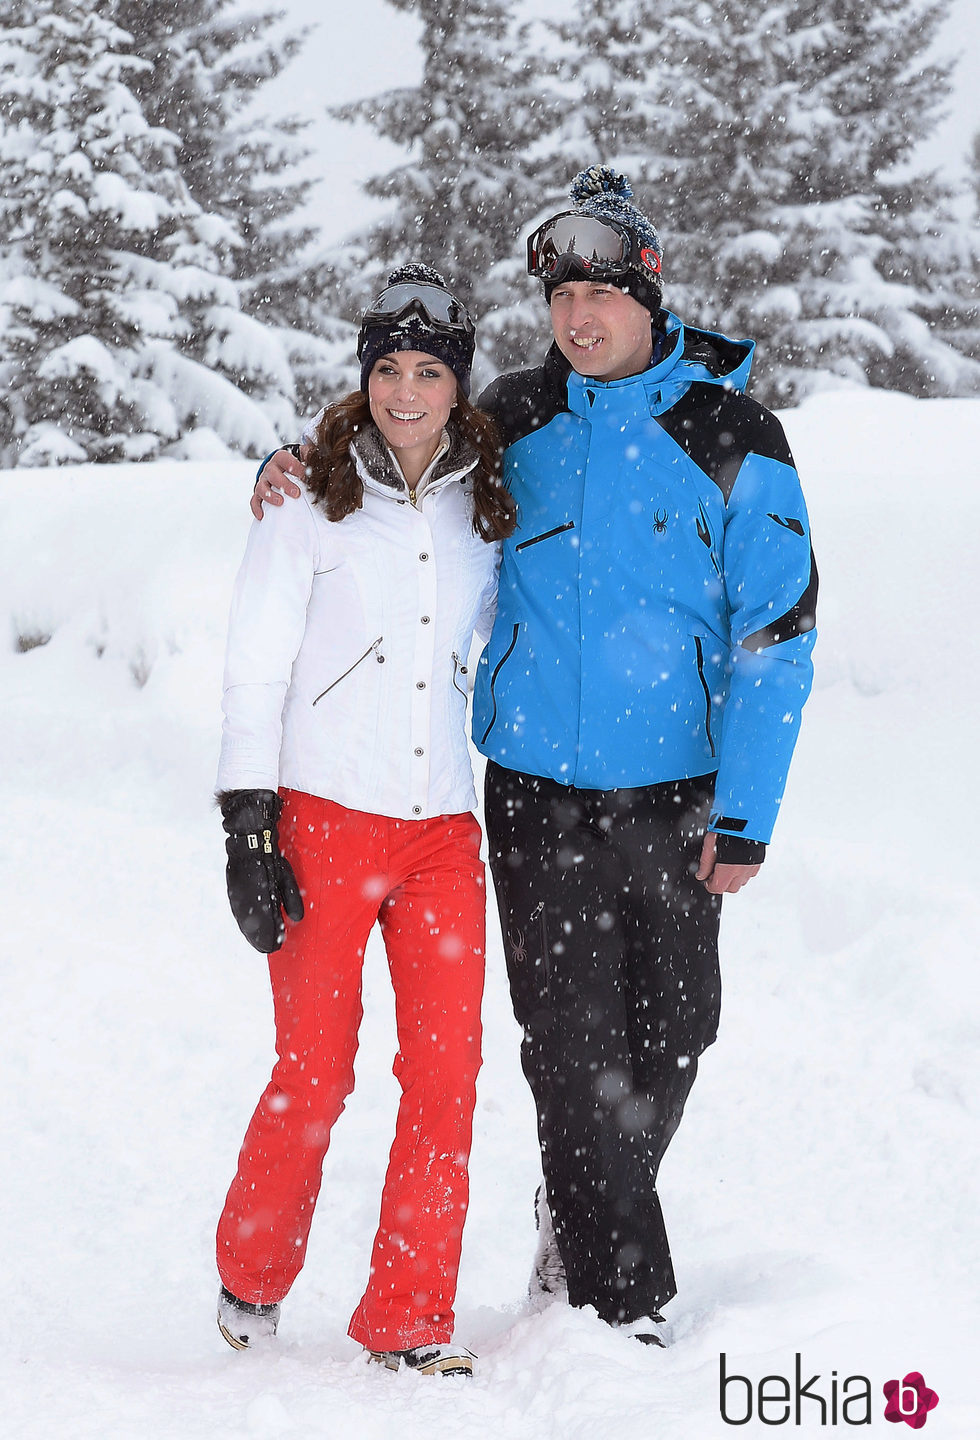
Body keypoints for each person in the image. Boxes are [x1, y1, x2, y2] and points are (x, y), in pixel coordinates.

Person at [253, 166, 818, 1347]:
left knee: (672, 1037)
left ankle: (581, 1202)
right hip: (532, 795)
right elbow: (386, 458)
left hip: (677, 794)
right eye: (560, 294)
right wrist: (279, 472)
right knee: (570, 1048)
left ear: (647, 293)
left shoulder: (731, 434)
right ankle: (618, 1300)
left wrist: (749, 809)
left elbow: (777, 633)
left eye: (600, 292)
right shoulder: (509, 417)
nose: (577, 317)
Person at [214, 263, 515, 1378]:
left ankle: (409, 1313)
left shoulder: (489, 497)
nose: (403, 390)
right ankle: (250, 1268)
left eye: (426, 371)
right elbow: (254, 667)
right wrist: (249, 822)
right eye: (387, 367)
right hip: (322, 819)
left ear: (456, 385)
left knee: (444, 1075)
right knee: (318, 1070)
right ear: (363, 376)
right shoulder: (307, 496)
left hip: (442, 829)